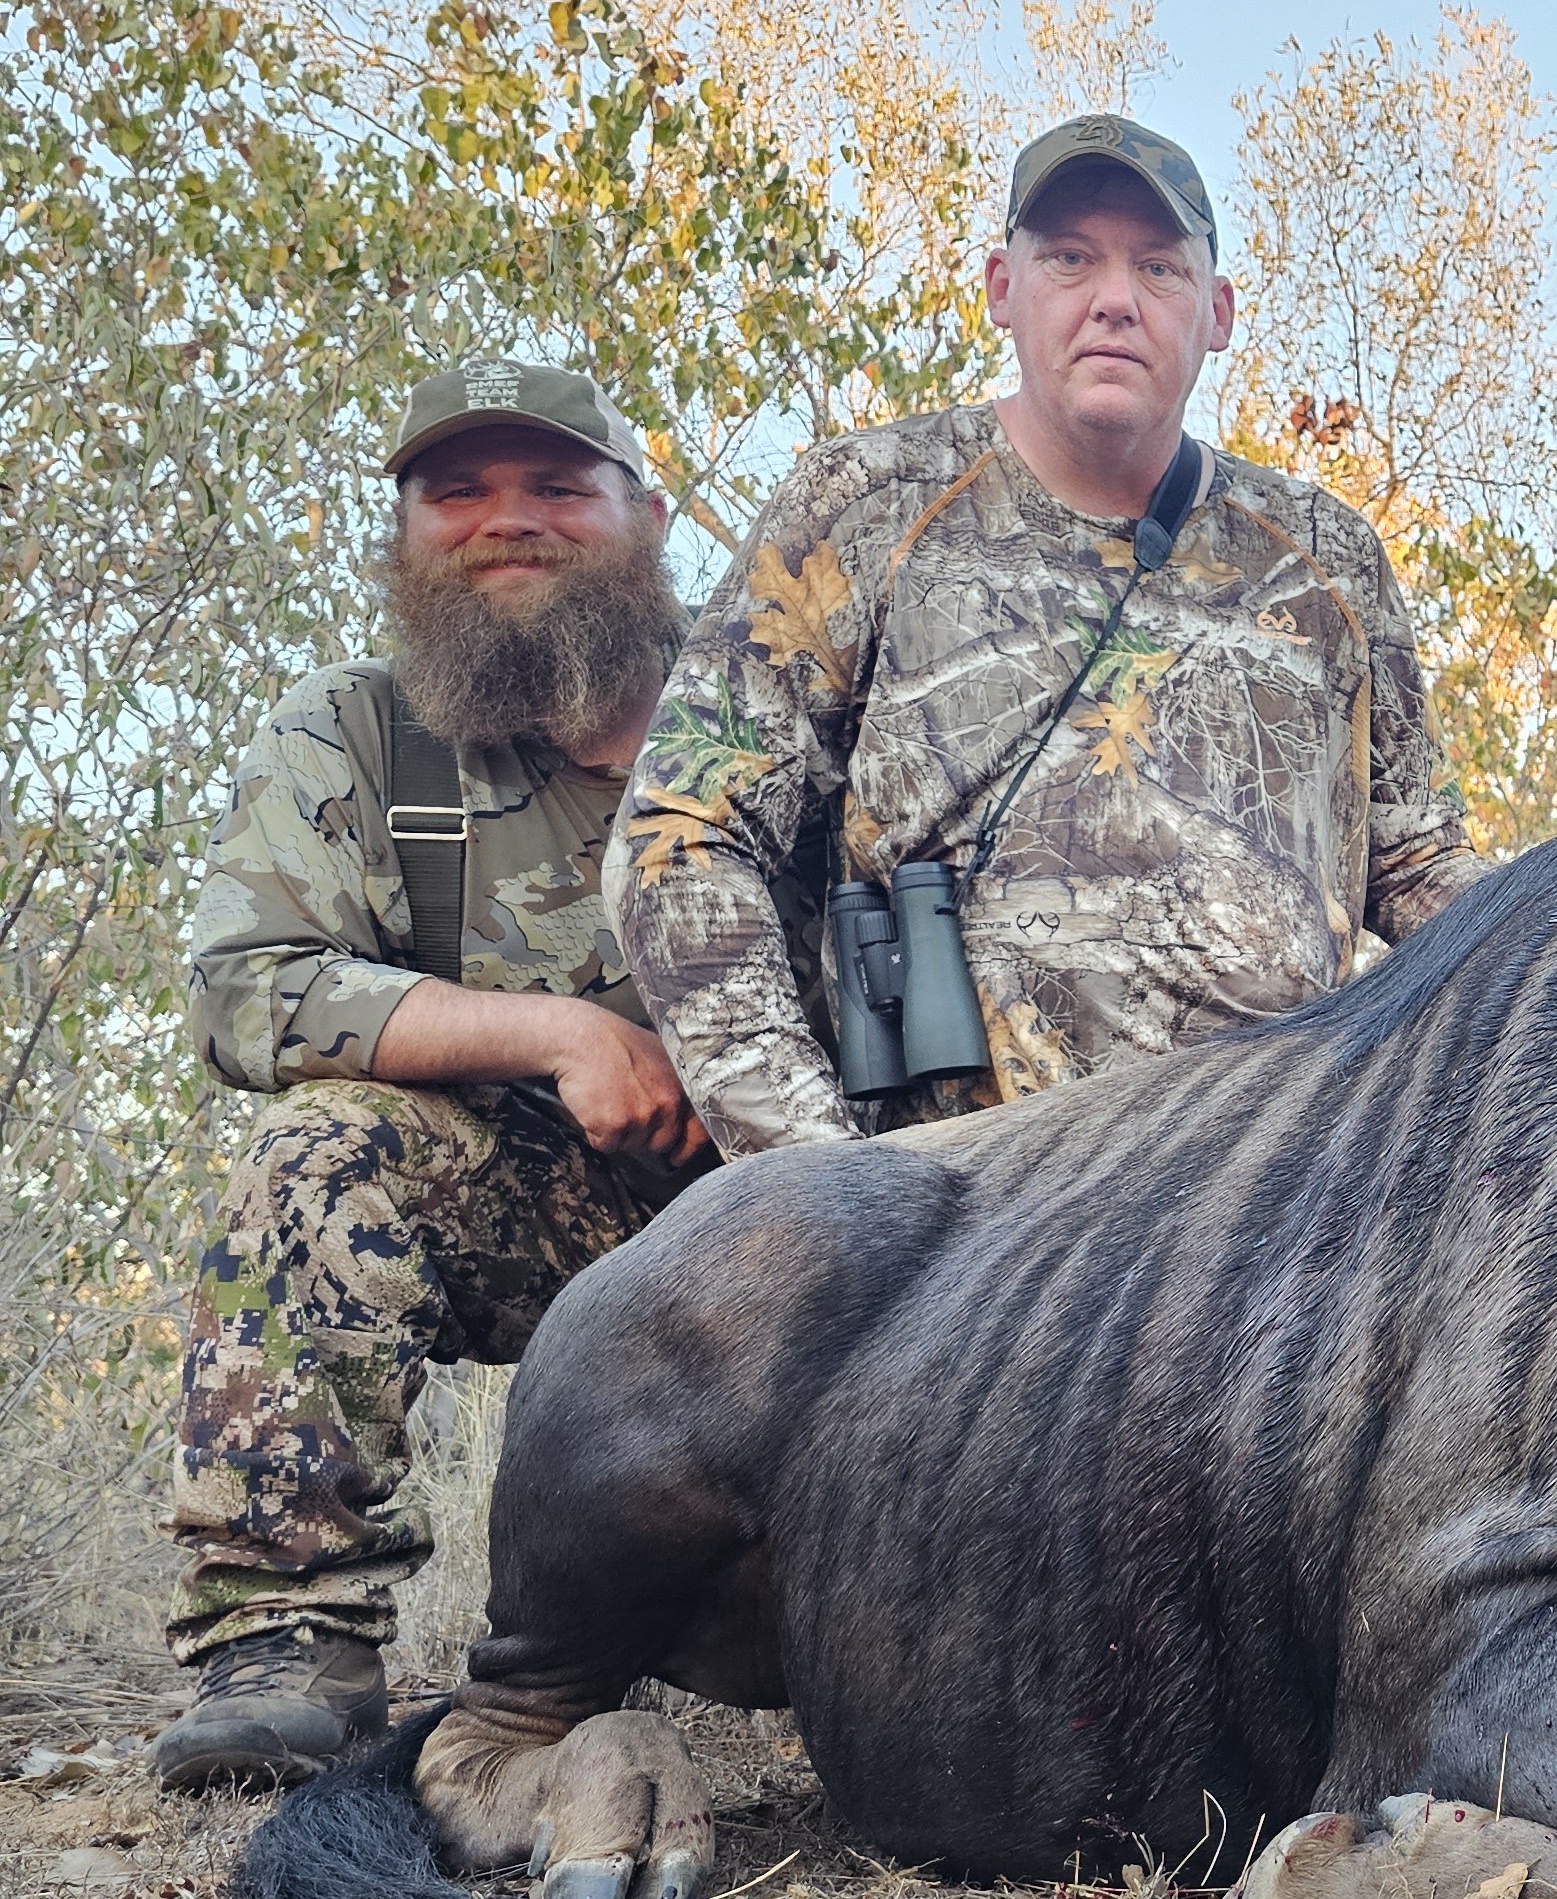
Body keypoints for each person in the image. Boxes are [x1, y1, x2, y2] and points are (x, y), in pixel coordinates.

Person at [613, 115, 1488, 1155]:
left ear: (1217, 314)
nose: (1114, 298)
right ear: (1000, 288)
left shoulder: (1326, 555)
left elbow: (1419, 858)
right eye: (1069, 257)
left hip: (1271, 1198)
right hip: (962, 1218)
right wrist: (823, 1184)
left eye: (1158, 267)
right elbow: (680, 832)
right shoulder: (865, 504)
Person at [160, 361, 710, 1788]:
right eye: (455, 493)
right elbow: (249, 987)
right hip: (542, 1204)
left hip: (809, 1190)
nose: (504, 522)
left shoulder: (790, 700)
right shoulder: (355, 731)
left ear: (647, 516)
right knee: (318, 1151)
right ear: (404, 537)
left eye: (554, 488)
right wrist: (562, 1036)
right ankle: (286, 1636)